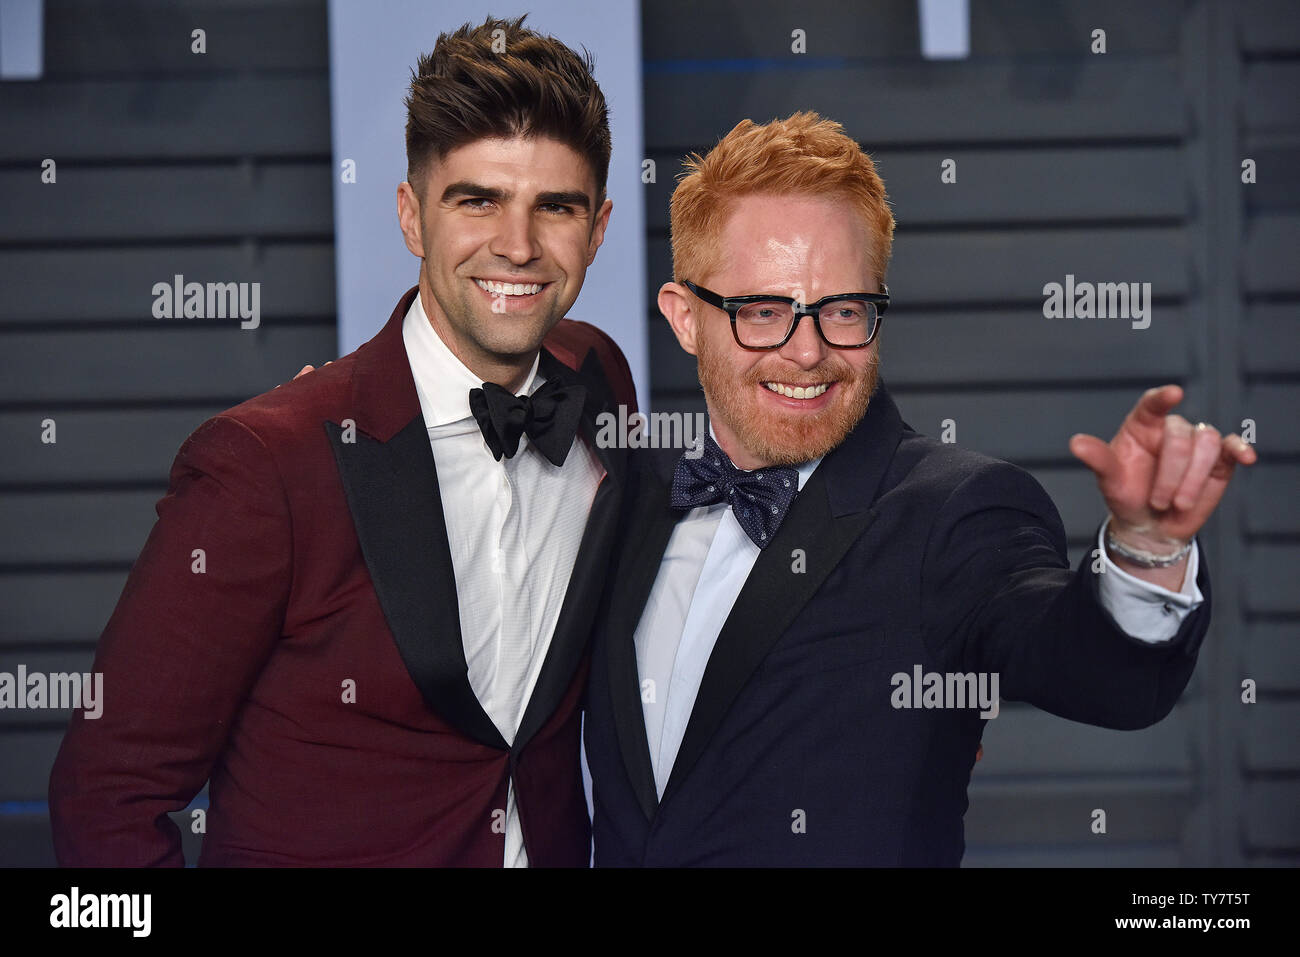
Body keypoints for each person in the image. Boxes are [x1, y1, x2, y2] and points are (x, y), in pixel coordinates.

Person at [582, 111, 1257, 866]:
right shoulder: (629, 494)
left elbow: (1098, 670)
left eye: (842, 310)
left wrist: (1145, 551)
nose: (808, 352)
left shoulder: (955, 510)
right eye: (763, 312)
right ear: (684, 319)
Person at [49, 15, 634, 867]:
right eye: (476, 200)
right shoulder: (264, 467)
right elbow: (101, 797)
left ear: (600, 227)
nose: (518, 244)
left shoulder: (597, 381)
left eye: (556, 207)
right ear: (410, 214)